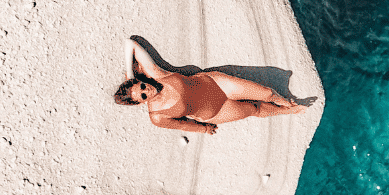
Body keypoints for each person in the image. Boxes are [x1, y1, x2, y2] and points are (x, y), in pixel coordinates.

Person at [114, 41, 305, 136]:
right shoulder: (158, 117)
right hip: (215, 112)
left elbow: (129, 43)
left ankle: (282, 100)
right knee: (254, 109)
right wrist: (204, 129)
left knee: (267, 93)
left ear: (140, 81)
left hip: (216, 84)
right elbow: (183, 125)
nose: (148, 90)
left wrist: (130, 77)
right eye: (144, 95)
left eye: (142, 86)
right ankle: (289, 111)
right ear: (140, 102)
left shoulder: (157, 74)